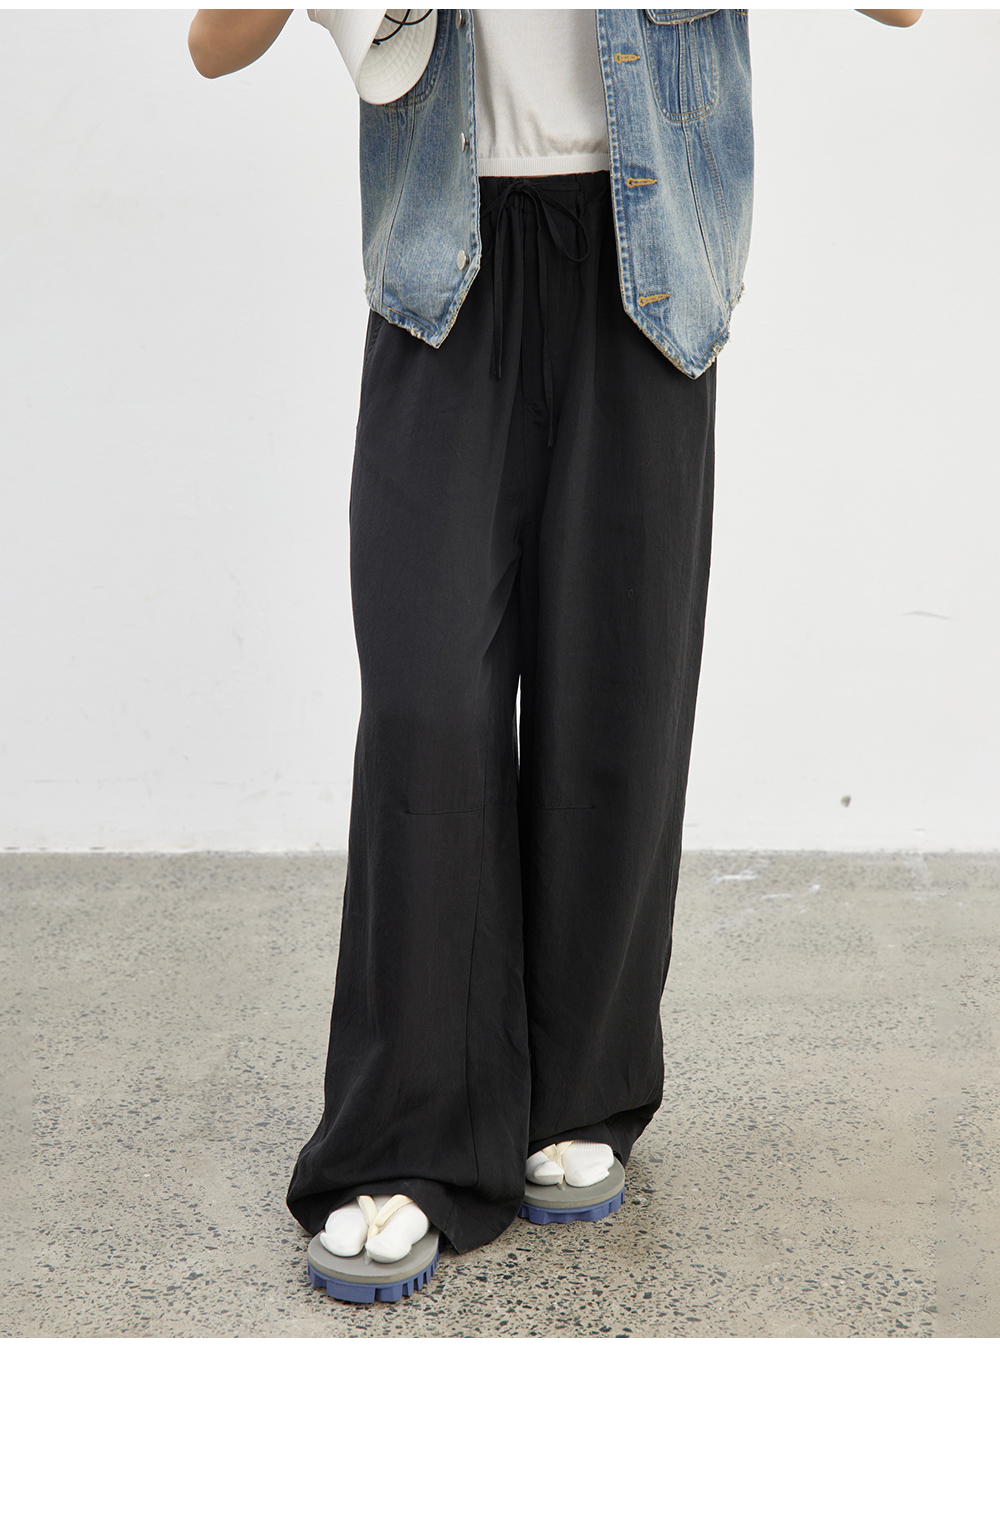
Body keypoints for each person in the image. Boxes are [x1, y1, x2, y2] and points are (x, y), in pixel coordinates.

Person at [188, 6, 923, 1303]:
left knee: (618, 692)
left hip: (646, 257)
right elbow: (212, 42)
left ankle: (579, 1091)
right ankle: (404, 1144)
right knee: (426, 707)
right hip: (446, 265)